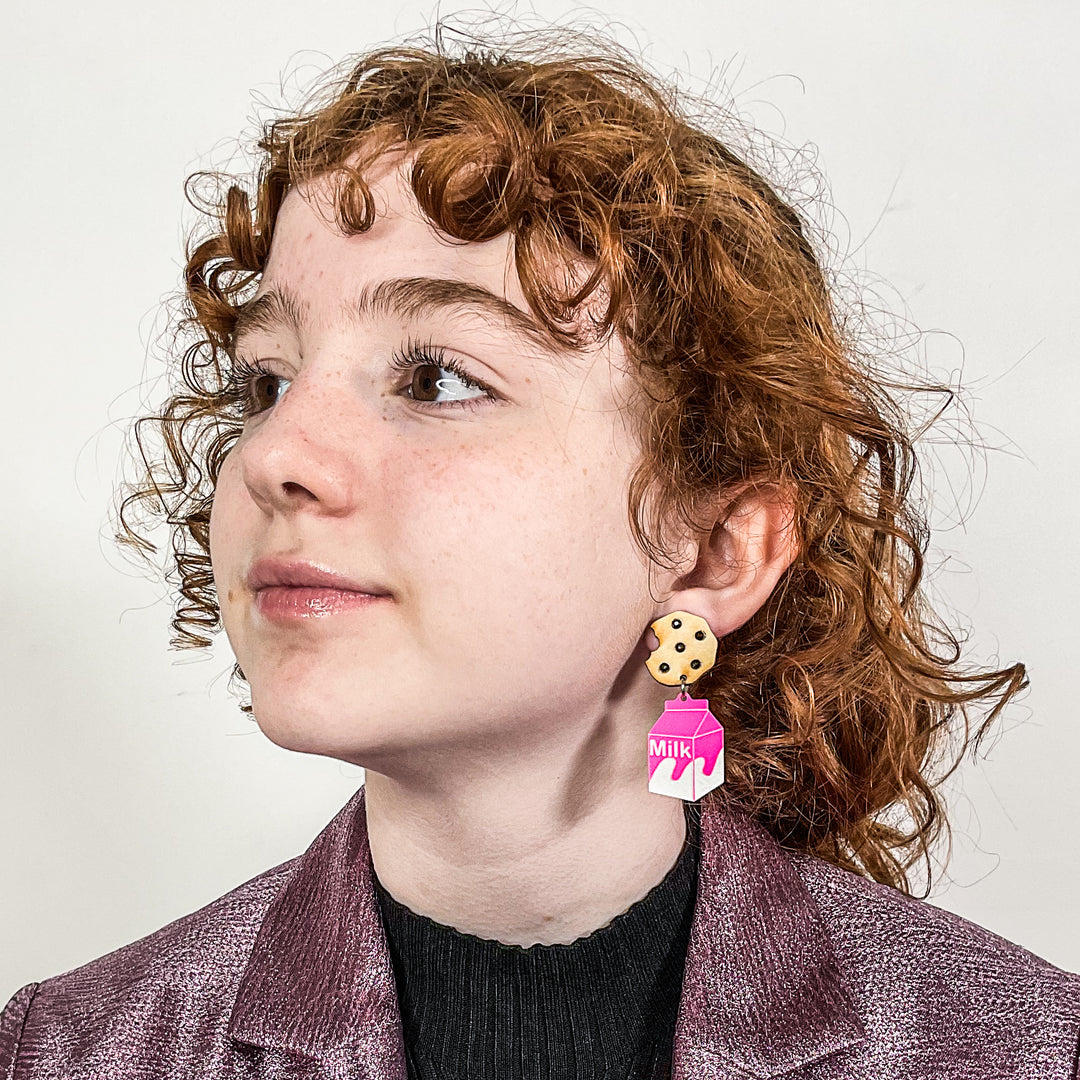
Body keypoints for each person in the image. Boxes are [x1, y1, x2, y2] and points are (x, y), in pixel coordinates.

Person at [2, 23, 1077, 1080]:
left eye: (437, 378)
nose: (277, 453)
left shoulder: (1026, 1050)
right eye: (267, 381)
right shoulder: (62, 1053)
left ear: (712, 553)